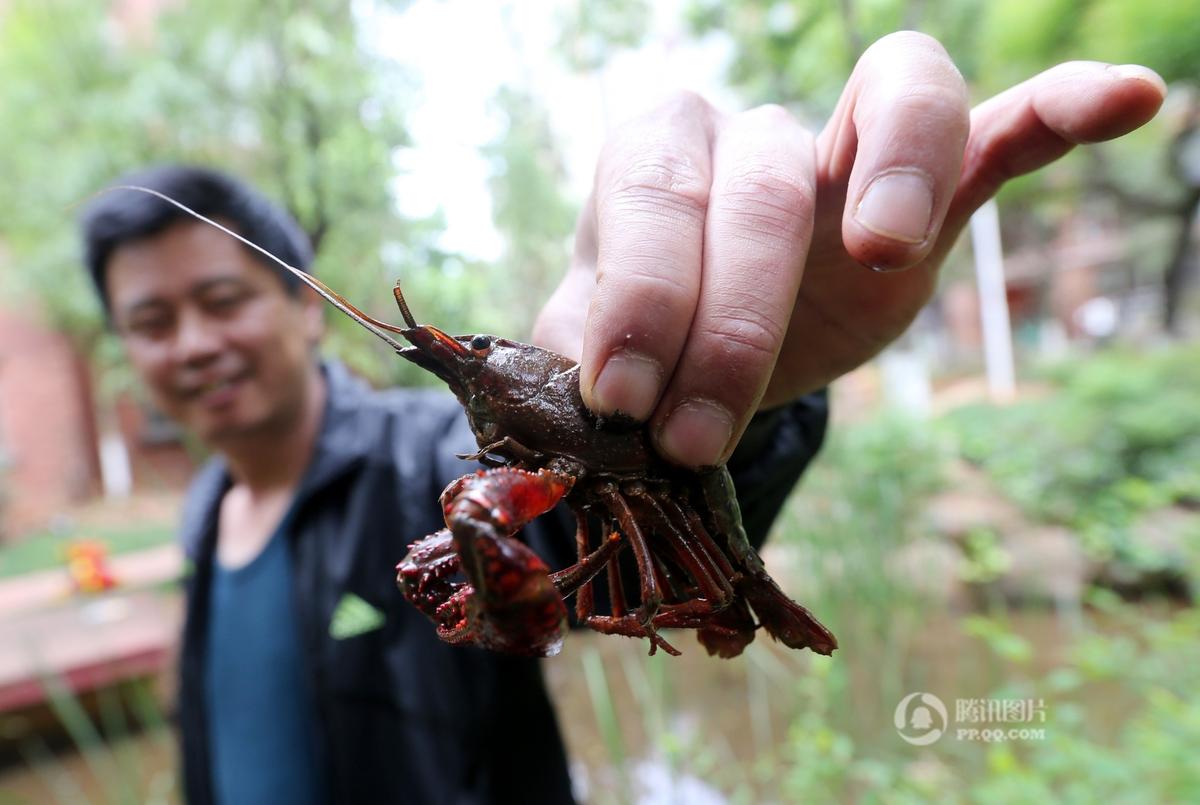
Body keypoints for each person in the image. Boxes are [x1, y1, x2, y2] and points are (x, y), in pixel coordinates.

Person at [80, 33, 1164, 804]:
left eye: (222, 299)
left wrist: (767, 380)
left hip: (687, 532)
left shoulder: (417, 465)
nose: (193, 343)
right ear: (128, 350)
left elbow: (567, 528)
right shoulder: (205, 514)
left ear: (300, 314)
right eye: (152, 320)